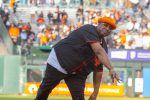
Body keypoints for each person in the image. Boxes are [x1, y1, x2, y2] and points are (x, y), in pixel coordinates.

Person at [35, 17, 120, 100]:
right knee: (44, 92)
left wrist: (95, 93)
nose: (107, 28)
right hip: (59, 61)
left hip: (77, 73)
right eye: (105, 25)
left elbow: (98, 70)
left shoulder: (104, 47)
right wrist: (111, 68)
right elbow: (98, 51)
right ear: (98, 24)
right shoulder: (89, 29)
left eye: (110, 28)